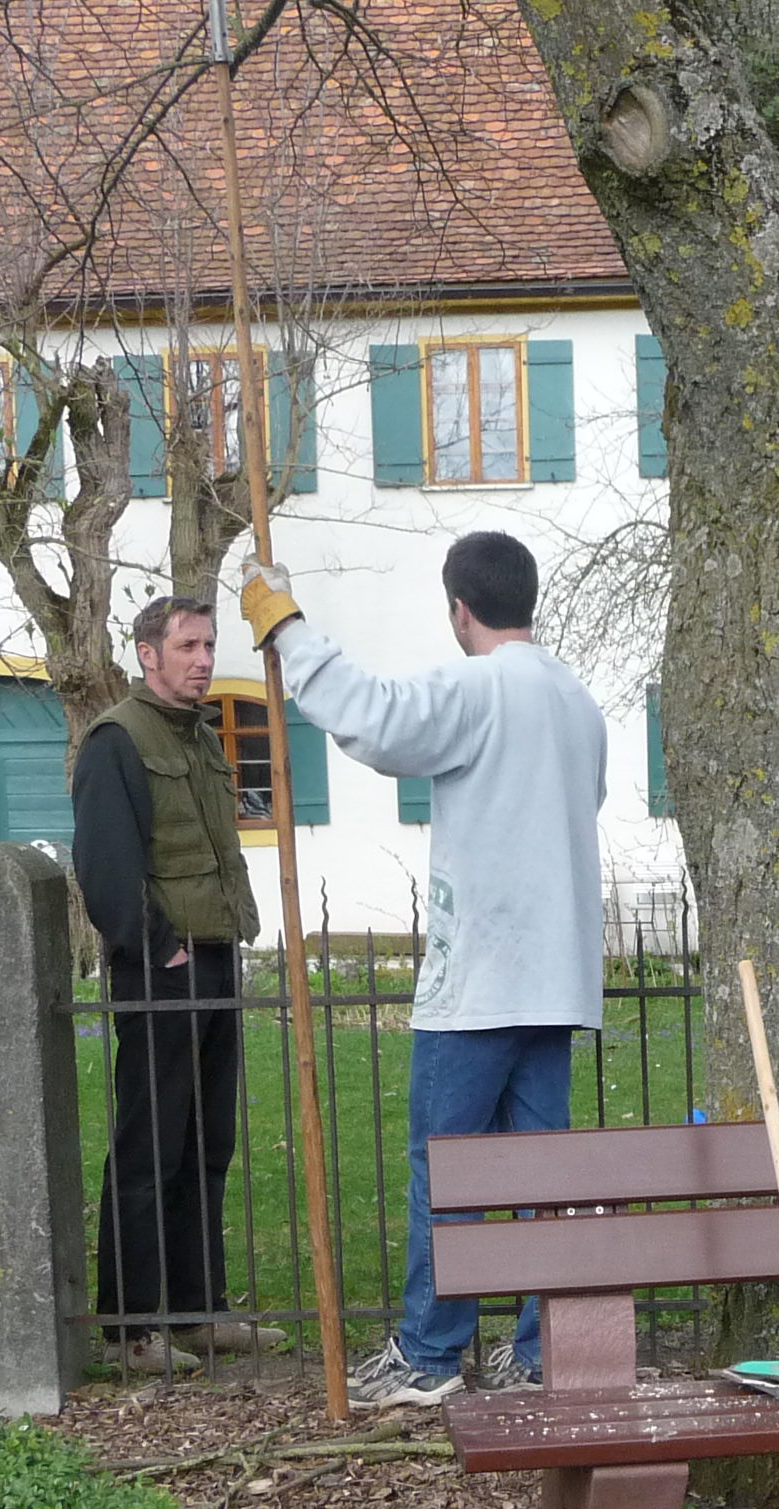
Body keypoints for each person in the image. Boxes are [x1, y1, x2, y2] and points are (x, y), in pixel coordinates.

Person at [236, 532, 606, 1409]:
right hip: (554, 980)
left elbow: (374, 719)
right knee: (542, 1179)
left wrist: (286, 626)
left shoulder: (481, 687)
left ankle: (431, 1355)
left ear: (460, 609)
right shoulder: (576, 702)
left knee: (447, 1172)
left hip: (478, 982)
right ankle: (539, 1350)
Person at [70, 594, 281, 1374]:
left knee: (206, 1143)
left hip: (215, 955)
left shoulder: (200, 736)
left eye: (209, 645)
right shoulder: (117, 740)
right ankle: (131, 1330)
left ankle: (198, 1313)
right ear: (147, 653)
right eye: (188, 646)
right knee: (148, 1146)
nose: (203, 659)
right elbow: (105, 868)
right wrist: (161, 952)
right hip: (163, 967)